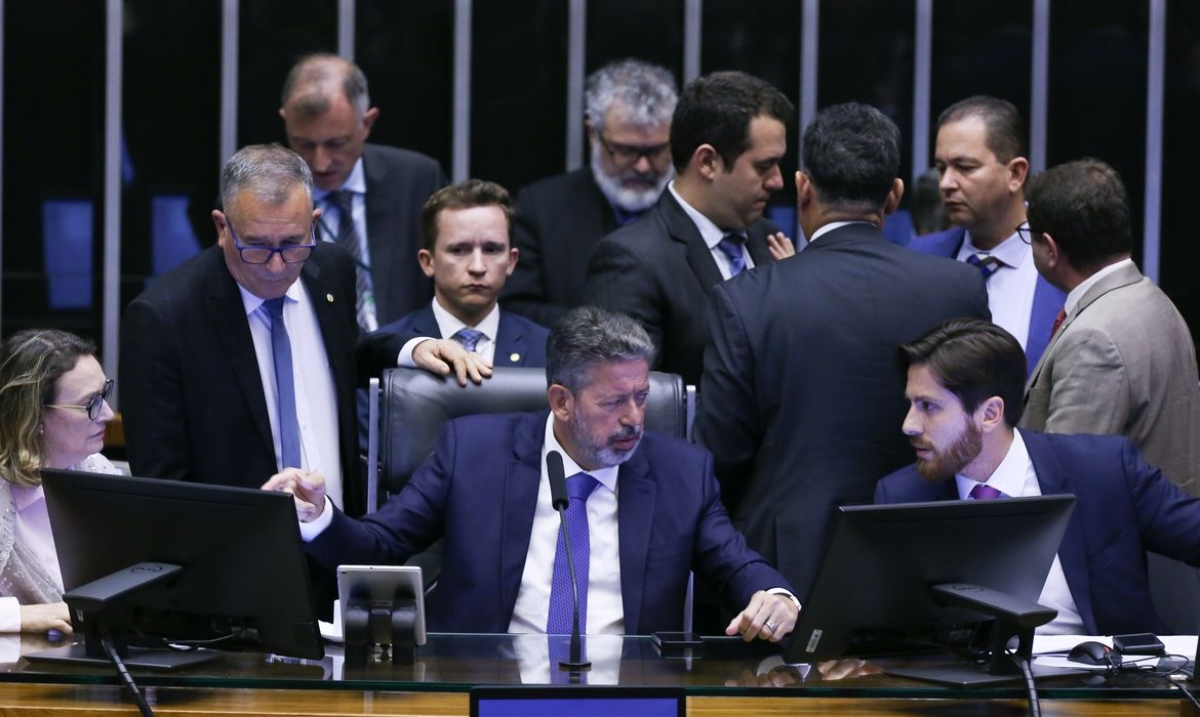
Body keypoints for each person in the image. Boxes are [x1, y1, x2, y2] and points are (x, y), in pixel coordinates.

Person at [265, 307, 800, 639]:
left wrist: (774, 595)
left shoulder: (682, 472)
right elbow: (379, 544)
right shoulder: (473, 452)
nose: (634, 418)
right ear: (561, 402)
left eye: (641, 397)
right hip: (486, 688)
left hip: (628, 698)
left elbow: (736, 566)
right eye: (614, 402)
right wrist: (317, 517)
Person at [699, 102, 990, 598]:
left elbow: (719, 456)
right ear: (894, 195)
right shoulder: (959, 288)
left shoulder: (748, 298)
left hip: (786, 576)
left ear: (802, 188)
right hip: (932, 565)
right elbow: (979, 434)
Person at [120, 144, 486, 518]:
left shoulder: (330, 267)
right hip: (238, 555)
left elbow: (346, 351)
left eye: (292, 244)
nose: (277, 267)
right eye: (257, 247)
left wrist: (412, 349)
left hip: (339, 540)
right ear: (221, 227)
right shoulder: (164, 319)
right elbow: (163, 485)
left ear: (314, 222)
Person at [874, 319, 1200, 635]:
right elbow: (883, 628)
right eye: (911, 404)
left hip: (1107, 681)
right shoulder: (902, 497)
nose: (909, 425)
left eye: (928, 406)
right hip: (970, 683)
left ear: (990, 414)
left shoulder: (1102, 470)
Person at [583, 70, 794, 386]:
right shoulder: (631, 260)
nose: (777, 181)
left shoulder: (769, 240)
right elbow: (628, 401)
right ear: (708, 162)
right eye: (763, 166)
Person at [1021, 158, 1200, 496]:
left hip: (1126, 542)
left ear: (1051, 249)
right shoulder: (1156, 299)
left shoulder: (1093, 340)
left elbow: (1065, 481)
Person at [502, 59, 678, 328]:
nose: (643, 166)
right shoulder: (541, 208)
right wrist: (603, 330)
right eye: (626, 151)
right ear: (593, 134)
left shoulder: (694, 208)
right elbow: (515, 309)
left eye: (656, 151)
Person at [279, 53, 447, 329]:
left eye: (337, 144)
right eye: (304, 144)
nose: (321, 163)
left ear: (367, 123)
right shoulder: (262, 196)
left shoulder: (418, 181)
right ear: (286, 121)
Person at [909, 96, 1064, 376]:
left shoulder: (1066, 263)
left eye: (965, 168)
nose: (945, 184)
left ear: (1015, 174)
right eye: (942, 168)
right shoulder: (919, 258)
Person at [0, 329, 121, 635]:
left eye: (104, 394)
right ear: (34, 415)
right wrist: (19, 617)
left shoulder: (94, 470)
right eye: (90, 403)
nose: (107, 414)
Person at [378, 179, 549, 368]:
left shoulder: (547, 349)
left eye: (492, 250)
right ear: (428, 262)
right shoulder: (387, 351)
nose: (477, 267)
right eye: (459, 250)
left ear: (511, 261)